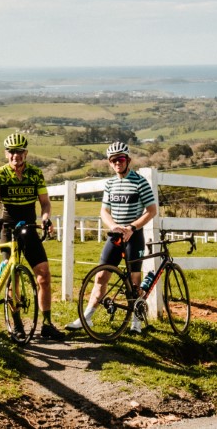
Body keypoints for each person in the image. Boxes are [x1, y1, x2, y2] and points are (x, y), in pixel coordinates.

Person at [66, 141, 157, 334]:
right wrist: (113, 226)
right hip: (116, 235)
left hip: (134, 236)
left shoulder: (140, 182)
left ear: (128, 160)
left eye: (121, 159)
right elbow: (104, 211)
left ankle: (136, 322)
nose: (118, 162)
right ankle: (87, 318)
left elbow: (151, 211)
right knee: (101, 276)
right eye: (114, 160)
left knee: (134, 281)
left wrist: (132, 227)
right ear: (109, 162)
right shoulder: (110, 184)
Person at [0, 133, 66, 341]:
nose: (15, 156)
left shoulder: (36, 174)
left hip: (28, 227)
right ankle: (17, 324)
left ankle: (47, 324)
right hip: (8, 228)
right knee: (14, 278)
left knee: (44, 274)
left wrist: (46, 218)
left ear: (25, 153)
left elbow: (45, 202)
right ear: (6, 153)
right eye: (11, 152)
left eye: (19, 152)